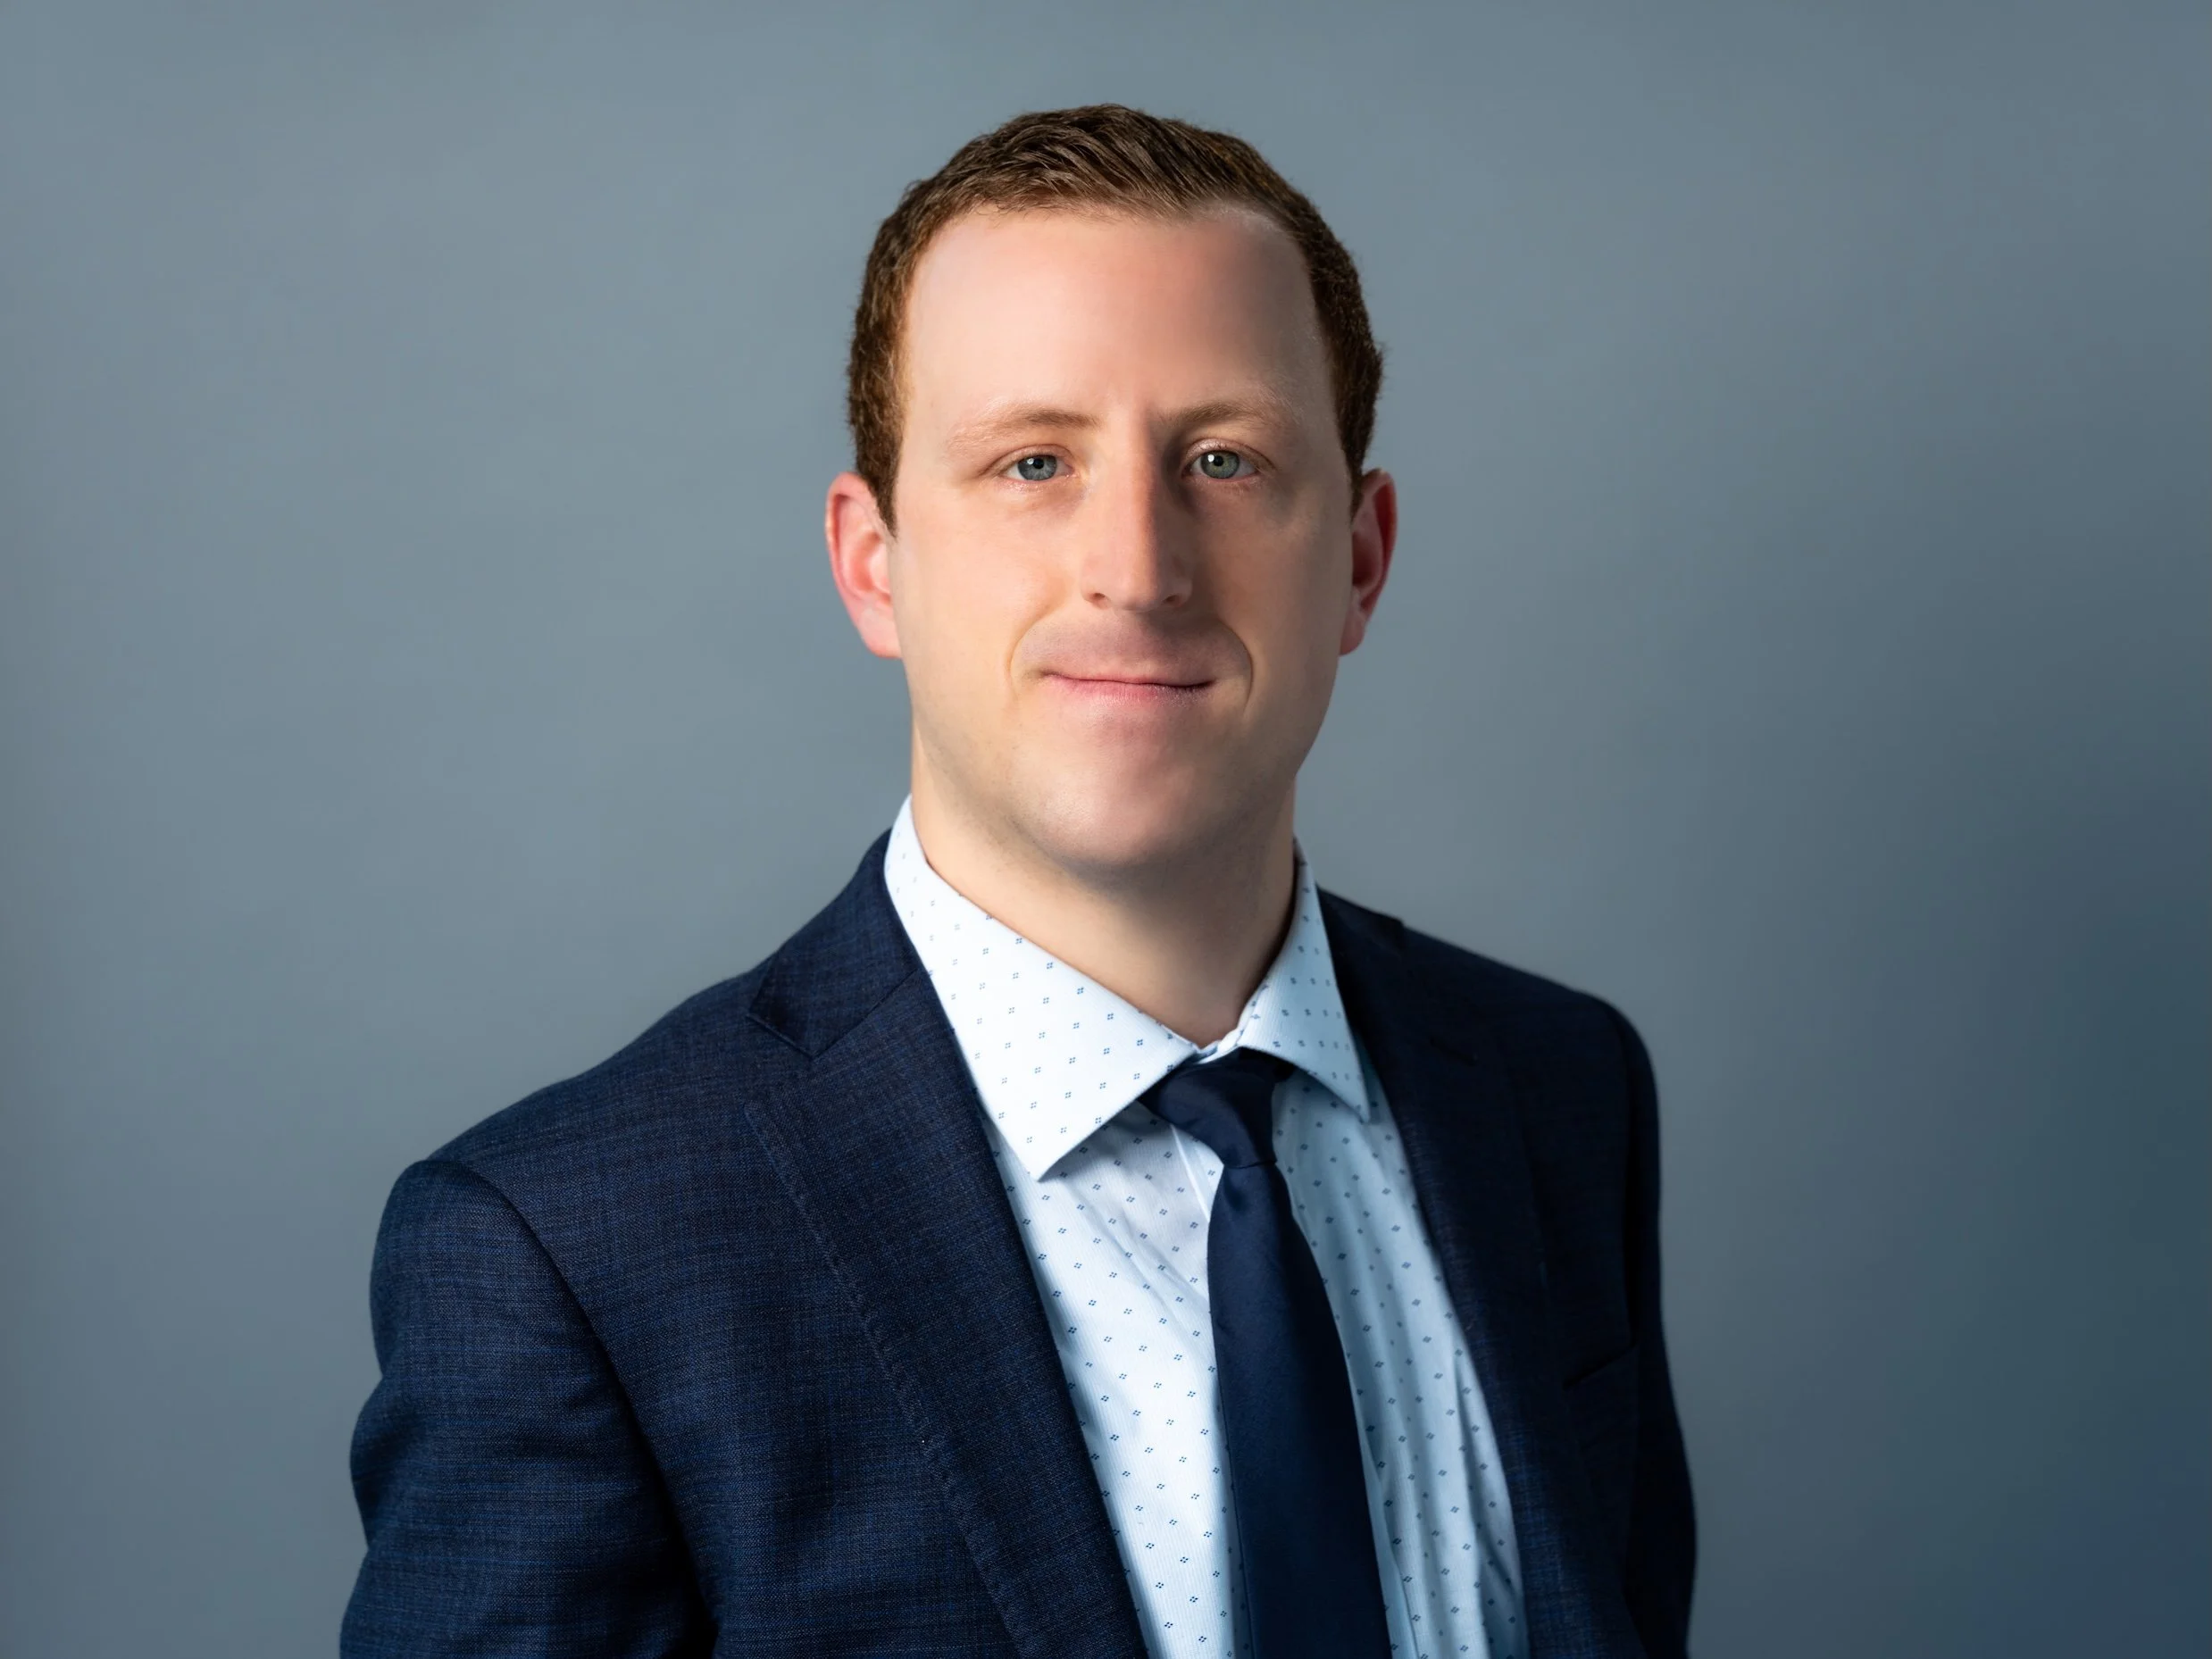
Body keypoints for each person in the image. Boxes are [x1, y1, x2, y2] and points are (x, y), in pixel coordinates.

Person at [341, 104, 1695, 1659]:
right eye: (1034, 460)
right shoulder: (569, 1256)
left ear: (1364, 561)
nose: (1137, 564)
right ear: (875, 564)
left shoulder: (1557, 1098)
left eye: (1226, 459)